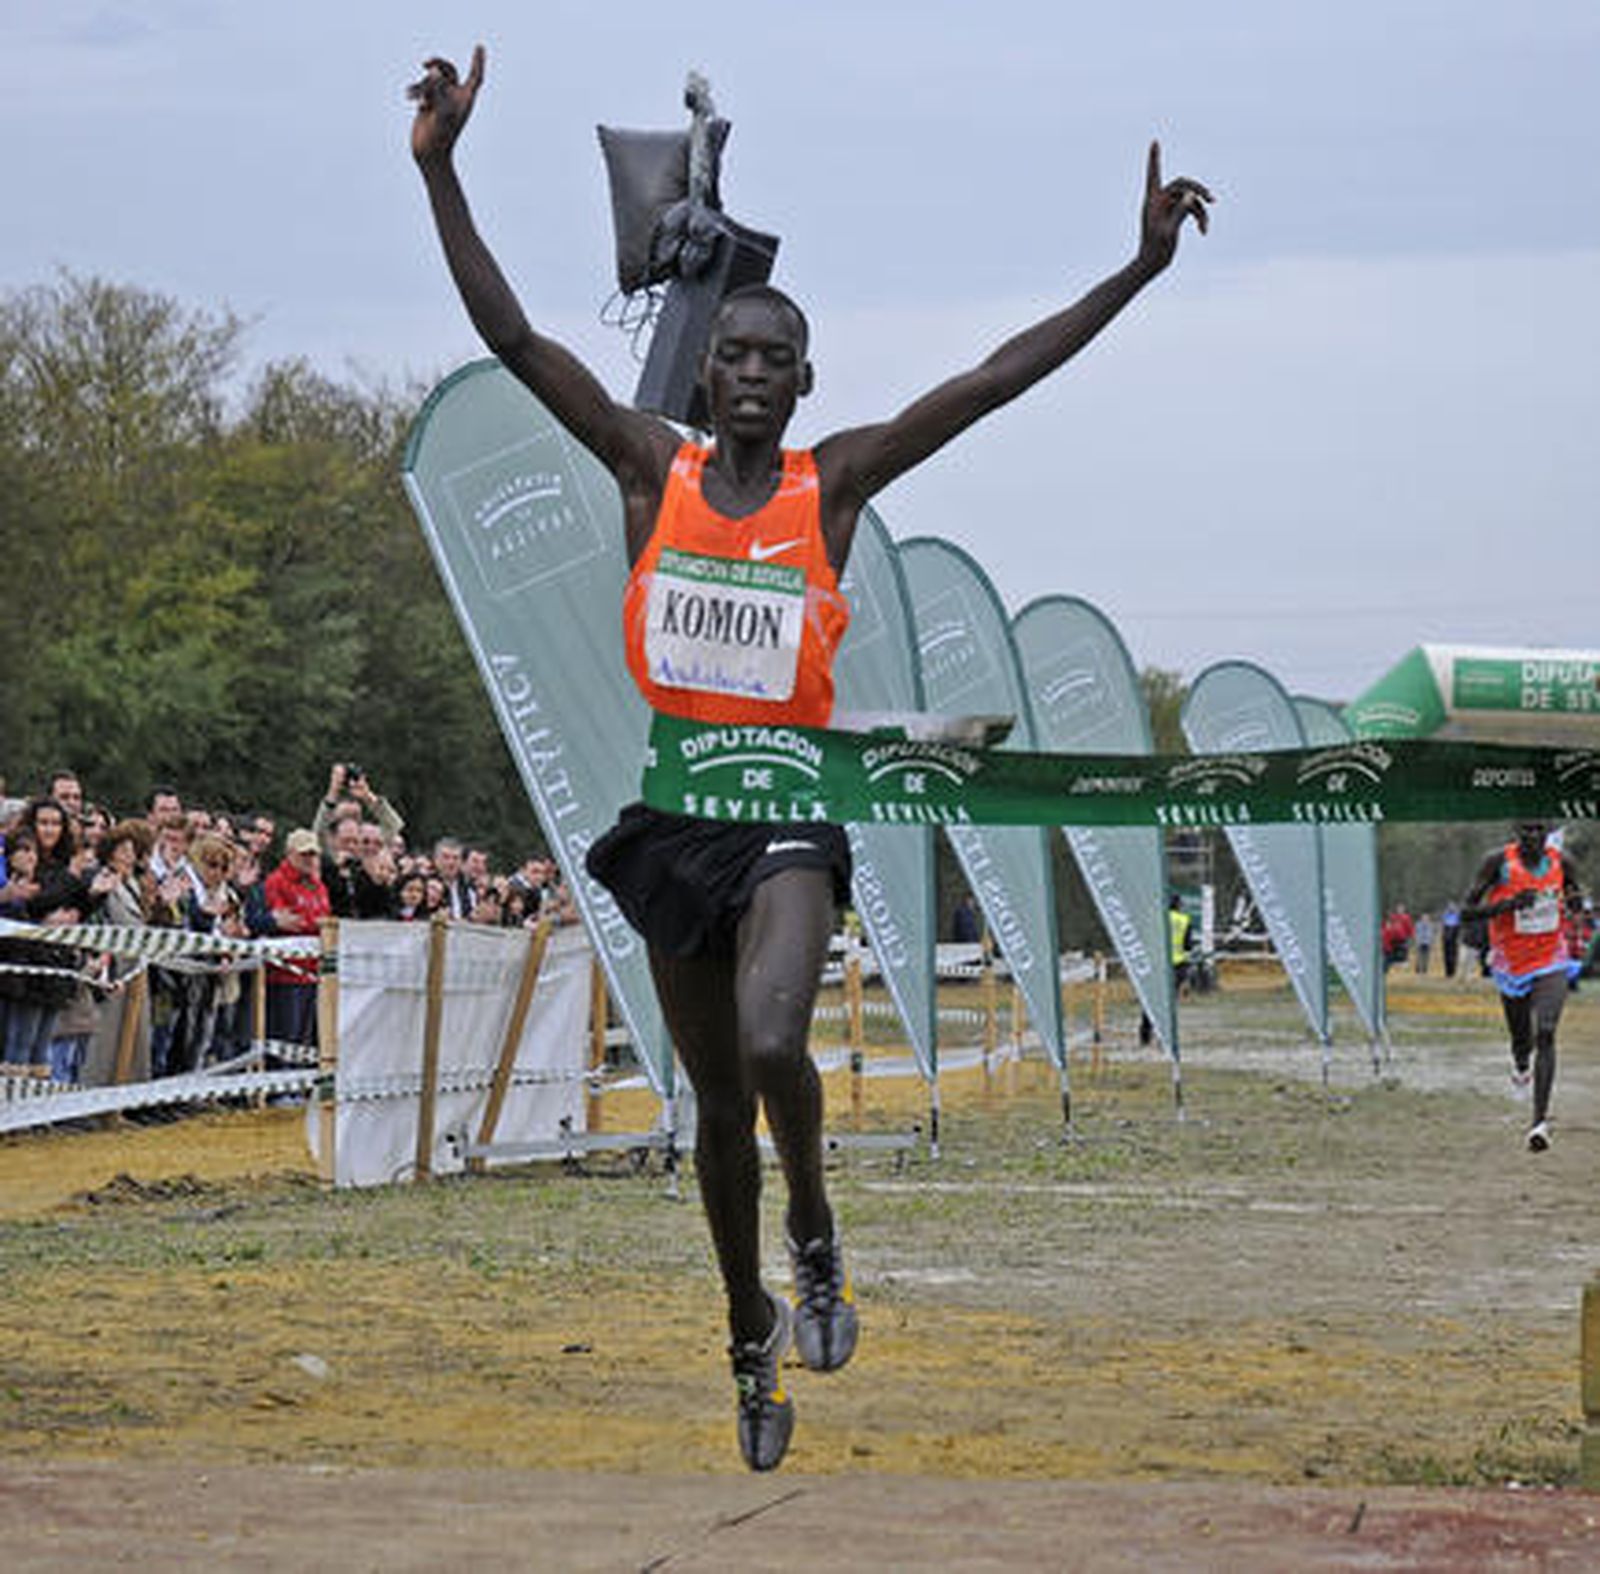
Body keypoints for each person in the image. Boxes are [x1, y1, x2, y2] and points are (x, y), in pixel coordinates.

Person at [411, 43, 1210, 1471]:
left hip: (790, 810)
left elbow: (989, 380)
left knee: (776, 1042)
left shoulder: (827, 484)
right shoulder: (644, 466)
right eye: (738, 358)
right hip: (676, 817)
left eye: (783, 361)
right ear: (705, 369)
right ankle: (745, 1327)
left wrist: (1134, 273)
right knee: (715, 1109)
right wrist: (440, 169)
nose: (759, 379)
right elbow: (519, 341)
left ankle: (820, 1233)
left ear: (805, 377)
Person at [1459, 821, 1586, 1152]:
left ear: (1547, 833)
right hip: (1510, 962)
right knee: (1522, 1040)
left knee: (1545, 1031)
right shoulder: (1497, 862)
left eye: (1539, 830)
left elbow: (1576, 896)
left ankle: (1539, 1123)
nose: (1533, 836)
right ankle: (1520, 1066)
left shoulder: (1562, 861)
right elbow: (1466, 912)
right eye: (1526, 830)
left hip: (1551, 958)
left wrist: (1575, 903)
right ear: (1516, 832)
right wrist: (1508, 905)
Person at [1440, 900, 1462, 979]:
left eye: (1452, 907)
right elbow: (1443, 925)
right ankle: (1447, 972)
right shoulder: (1445, 915)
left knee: (1453, 954)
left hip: (1454, 934)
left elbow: (1459, 926)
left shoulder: (1457, 916)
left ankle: (1453, 971)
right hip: (1446, 934)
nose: (1451, 909)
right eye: (1450, 907)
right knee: (1446, 954)